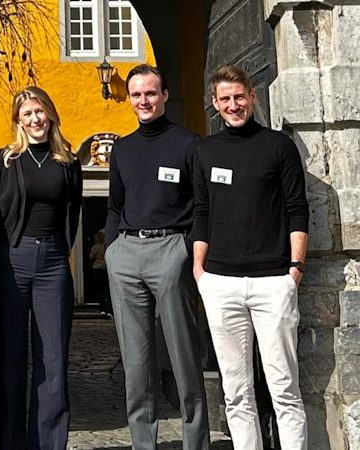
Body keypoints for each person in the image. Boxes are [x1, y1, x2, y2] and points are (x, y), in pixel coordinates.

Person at [192, 64, 309, 450]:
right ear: (215, 104)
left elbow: (297, 208)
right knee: (236, 391)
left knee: (284, 388)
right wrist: (200, 270)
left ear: (253, 96)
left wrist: (295, 268)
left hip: (273, 280)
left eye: (239, 96)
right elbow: (202, 212)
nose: (233, 104)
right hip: (221, 282)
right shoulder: (205, 151)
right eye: (225, 99)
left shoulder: (279, 146)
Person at [104, 64, 210, 449]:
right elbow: (115, 206)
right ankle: (142, 443)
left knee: (184, 356)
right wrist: (113, 249)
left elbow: (203, 205)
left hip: (171, 251)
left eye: (151, 93)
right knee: (136, 362)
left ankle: (194, 441)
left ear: (164, 95)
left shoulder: (189, 144)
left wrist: (187, 252)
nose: (144, 101)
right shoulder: (123, 148)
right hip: (127, 253)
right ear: (129, 99)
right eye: (136, 95)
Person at [0, 86, 82, 450]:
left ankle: (48, 444)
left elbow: (73, 212)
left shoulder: (68, 162)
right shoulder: (2, 162)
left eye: (39, 112)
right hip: (11, 261)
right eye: (27, 114)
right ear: (18, 121)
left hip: (54, 263)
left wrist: (58, 252)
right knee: (9, 358)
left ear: (50, 114)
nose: (35, 119)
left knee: (52, 360)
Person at [88, 231, 111, 317]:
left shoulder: (95, 247)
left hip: (97, 269)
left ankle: (102, 309)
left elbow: (90, 257)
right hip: (105, 268)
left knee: (100, 291)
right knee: (107, 290)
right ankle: (109, 310)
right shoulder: (106, 247)